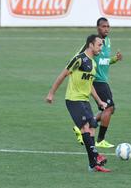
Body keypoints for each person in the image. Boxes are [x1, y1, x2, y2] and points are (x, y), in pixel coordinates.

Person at [46, 34, 111, 172]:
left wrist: (99, 101)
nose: (101, 48)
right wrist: (51, 93)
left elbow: (90, 84)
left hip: (84, 100)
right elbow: (63, 74)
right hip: (73, 99)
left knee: (93, 126)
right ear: (90, 45)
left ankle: (93, 164)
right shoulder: (79, 59)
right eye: (99, 45)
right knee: (85, 128)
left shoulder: (93, 63)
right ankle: (96, 156)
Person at [73, 17, 123, 148]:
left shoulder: (107, 41)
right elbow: (78, 57)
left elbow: (104, 61)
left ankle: (83, 126)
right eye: (103, 26)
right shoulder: (93, 42)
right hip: (96, 80)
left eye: (108, 26)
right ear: (98, 28)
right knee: (109, 108)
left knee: (110, 109)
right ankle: (100, 140)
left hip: (103, 80)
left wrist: (114, 59)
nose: (106, 29)